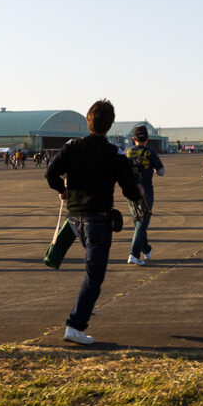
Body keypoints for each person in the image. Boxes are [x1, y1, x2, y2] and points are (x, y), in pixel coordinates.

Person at [45, 99, 143, 345]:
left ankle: (86, 306)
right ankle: (75, 326)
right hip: (97, 221)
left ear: (88, 122)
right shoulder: (114, 153)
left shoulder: (72, 147)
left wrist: (62, 190)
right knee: (94, 274)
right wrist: (139, 192)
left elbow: (51, 173)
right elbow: (130, 189)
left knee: (92, 271)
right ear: (109, 125)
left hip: (75, 220)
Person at [125, 124, 164, 266]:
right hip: (146, 192)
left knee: (138, 222)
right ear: (147, 138)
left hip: (130, 192)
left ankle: (146, 249)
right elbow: (161, 172)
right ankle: (133, 254)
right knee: (142, 222)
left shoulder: (127, 153)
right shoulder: (150, 153)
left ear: (133, 138)